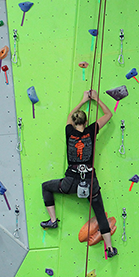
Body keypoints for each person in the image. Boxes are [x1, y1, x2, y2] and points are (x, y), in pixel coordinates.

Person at [41, 89, 118, 258]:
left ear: (74, 122)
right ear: (87, 121)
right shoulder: (92, 130)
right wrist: (96, 99)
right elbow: (108, 114)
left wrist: (83, 100)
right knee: (99, 213)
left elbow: (70, 115)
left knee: (46, 187)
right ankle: (110, 248)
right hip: (90, 182)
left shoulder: (69, 131)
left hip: (71, 182)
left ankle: (53, 221)